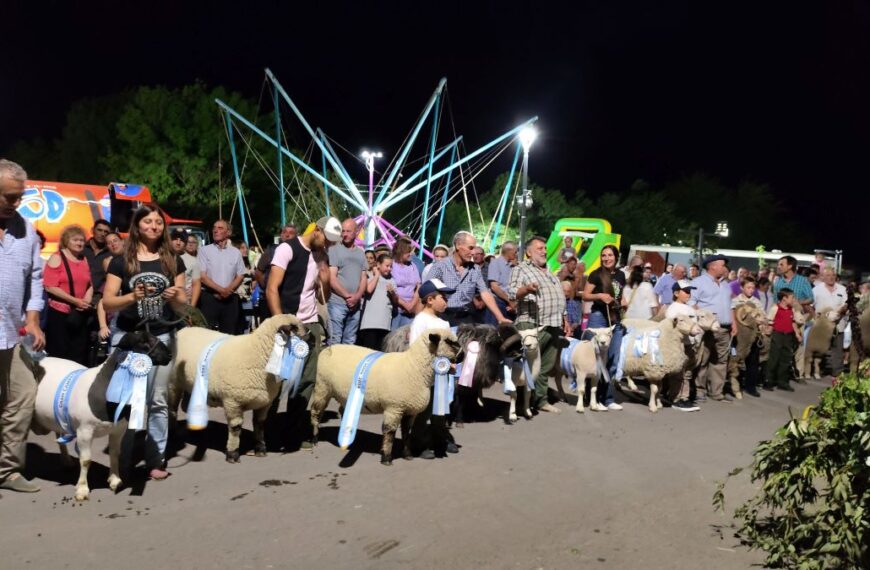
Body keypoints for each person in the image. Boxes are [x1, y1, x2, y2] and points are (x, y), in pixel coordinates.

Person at [103, 204, 187, 480]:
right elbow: (108, 301)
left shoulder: (173, 259)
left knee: (159, 399)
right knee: (127, 400)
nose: (154, 226)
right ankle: (123, 460)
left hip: (161, 336)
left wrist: (174, 295)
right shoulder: (120, 261)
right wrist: (132, 297)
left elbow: (182, 305)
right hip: (129, 337)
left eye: (158, 222)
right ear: (137, 225)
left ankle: (156, 459)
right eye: (148, 222)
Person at [266, 216, 340, 448]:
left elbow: (322, 298)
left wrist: (326, 282)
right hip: (286, 322)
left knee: (307, 380)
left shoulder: (322, 256)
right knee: (278, 378)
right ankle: (267, 432)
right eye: (327, 240)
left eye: (331, 243)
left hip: (311, 325)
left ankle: (293, 432)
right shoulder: (287, 249)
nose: (328, 245)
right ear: (316, 230)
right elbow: (271, 288)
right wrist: (282, 322)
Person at [0, 159, 45, 493]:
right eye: (9, 197)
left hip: (13, 332)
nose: (16, 204)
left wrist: (33, 319)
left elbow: (35, 278)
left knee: (23, 394)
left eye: (19, 197)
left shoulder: (26, 230)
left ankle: (8, 470)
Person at [409, 279, 456, 459]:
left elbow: (450, 347)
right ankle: (418, 443)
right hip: (426, 375)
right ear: (429, 300)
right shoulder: (420, 321)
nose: (446, 300)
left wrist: (450, 363)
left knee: (442, 408)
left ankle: (440, 439)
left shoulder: (444, 323)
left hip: (442, 374)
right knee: (424, 409)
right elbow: (416, 348)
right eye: (442, 297)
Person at [426, 231, 509, 326]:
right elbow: (426, 293)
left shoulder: (475, 269)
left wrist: (500, 318)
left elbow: (485, 293)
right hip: (444, 317)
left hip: (468, 317)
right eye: (470, 248)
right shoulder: (440, 266)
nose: (473, 252)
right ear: (458, 245)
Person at [581, 244, 625, 410]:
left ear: (616, 256)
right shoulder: (596, 274)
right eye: (604, 255)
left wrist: (623, 302)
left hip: (615, 318)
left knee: (613, 359)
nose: (606, 258)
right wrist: (599, 295)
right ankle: (589, 395)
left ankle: (607, 398)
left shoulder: (621, 275)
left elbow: (620, 294)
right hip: (599, 317)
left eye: (610, 255)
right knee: (594, 359)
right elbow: (585, 296)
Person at [43, 224, 94, 364]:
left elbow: (90, 283)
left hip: (79, 313)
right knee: (59, 353)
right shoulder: (56, 257)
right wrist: (75, 301)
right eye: (75, 240)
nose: (79, 243)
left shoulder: (84, 259)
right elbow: (50, 287)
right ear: (66, 241)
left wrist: (86, 300)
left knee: (78, 353)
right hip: (60, 314)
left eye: (82, 240)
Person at [690, 254, 734, 403]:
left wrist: (734, 323)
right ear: (712, 266)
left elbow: (731, 305)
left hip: (724, 328)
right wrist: (702, 318)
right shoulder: (699, 282)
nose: (725, 268)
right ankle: (699, 391)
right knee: (703, 359)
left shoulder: (725, 284)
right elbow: (691, 302)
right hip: (707, 329)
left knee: (721, 360)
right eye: (722, 265)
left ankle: (716, 391)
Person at [198, 220, 246, 334]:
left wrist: (228, 291)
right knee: (206, 333)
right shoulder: (204, 250)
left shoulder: (236, 252)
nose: (215, 230)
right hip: (209, 298)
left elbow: (241, 274)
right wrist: (221, 290)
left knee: (229, 335)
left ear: (228, 232)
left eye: (220, 228)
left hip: (230, 299)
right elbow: (202, 276)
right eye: (214, 227)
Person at [327, 219, 368, 346]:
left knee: (350, 340)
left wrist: (357, 297)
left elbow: (364, 278)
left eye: (348, 231)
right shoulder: (333, 250)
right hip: (337, 303)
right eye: (343, 231)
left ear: (356, 232)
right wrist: (348, 296)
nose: (345, 234)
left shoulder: (361, 254)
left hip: (355, 305)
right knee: (335, 340)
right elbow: (332, 278)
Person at [665, 280, 701, 412]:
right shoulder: (673, 309)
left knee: (687, 372)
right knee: (678, 373)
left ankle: (684, 397)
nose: (688, 294)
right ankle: (675, 398)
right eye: (685, 291)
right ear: (676, 293)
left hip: (690, 345)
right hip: (679, 345)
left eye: (689, 291)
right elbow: (673, 327)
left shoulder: (690, 308)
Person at [254, 224, 297, 320]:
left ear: (296, 237)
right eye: (284, 232)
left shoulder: (299, 253)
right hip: (270, 300)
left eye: (291, 233)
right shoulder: (270, 251)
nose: (286, 235)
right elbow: (258, 272)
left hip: (290, 300)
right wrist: (267, 288)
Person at [812, 267, 848, 377]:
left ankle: (837, 372)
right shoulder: (816, 290)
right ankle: (818, 370)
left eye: (833, 275)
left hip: (838, 323)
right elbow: (811, 306)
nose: (831, 277)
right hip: (822, 324)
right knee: (820, 348)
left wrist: (840, 312)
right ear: (822, 277)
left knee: (838, 348)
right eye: (828, 275)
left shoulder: (842, 289)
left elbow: (846, 303)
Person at [357, 253, 397, 351]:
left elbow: (396, 301)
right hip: (370, 324)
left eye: (391, 266)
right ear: (378, 264)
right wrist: (377, 276)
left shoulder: (392, 280)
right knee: (368, 351)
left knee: (379, 352)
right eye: (387, 266)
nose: (389, 269)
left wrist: (392, 294)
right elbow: (369, 290)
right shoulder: (369, 276)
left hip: (384, 324)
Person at [731, 277, 763, 397]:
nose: (751, 290)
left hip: (753, 336)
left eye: (753, 288)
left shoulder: (757, 302)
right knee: (734, 358)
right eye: (748, 287)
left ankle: (750, 386)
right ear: (741, 288)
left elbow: (762, 316)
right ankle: (734, 383)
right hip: (738, 336)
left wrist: (760, 321)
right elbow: (733, 316)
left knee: (753, 361)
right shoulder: (735, 301)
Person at [764, 288, 800, 391]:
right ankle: (768, 381)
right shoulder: (775, 308)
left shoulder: (791, 309)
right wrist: (768, 331)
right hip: (777, 335)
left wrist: (797, 334)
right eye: (792, 297)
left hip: (788, 336)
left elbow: (793, 322)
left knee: (786, 359)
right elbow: (770, 321)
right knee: (774, 359)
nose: (794, 300)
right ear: (784, 298)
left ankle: (782, 382)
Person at [390, 237, 421, 329]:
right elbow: (389, 287)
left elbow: (418, 286)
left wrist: (411, 305)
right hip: (395, 309)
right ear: (401, 251)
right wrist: (404, 304)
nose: (410, 254)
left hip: (410, 311)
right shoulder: (392, 265)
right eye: (408, 252)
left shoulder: (413, 266)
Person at [486, 241, 517, 325]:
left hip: (509, 304)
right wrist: (509, 300)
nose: (516, 254)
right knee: (494, 332)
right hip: (497, 303)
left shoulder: (512, 266)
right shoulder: (495, 263)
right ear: (508, 251)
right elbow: (494, 287)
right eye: (515, 251)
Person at [170, 229, 201, 308]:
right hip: (164, 304)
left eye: (182, 240)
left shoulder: (193, 261)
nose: (178, 242)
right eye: (175, 239)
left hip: (182, 305)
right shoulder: (160, 257)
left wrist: (192, 307)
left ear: (185, 243)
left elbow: (196, 285)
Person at [82, 218, 113, 299]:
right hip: (75, 295)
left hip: (98, 298)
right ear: (93, 230)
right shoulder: (81, 248)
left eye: (106, 232)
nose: (102, 234)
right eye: (99, 230)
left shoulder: (111, 254)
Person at [234, 240, 256, 334]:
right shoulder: (233, 264)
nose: (245, 250)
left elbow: (254, 279)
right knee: (236, 324)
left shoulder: (249, 264)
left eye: (246, 248)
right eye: (242, 248)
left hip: (247, 299)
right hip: (236, 298)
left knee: (247, 325)